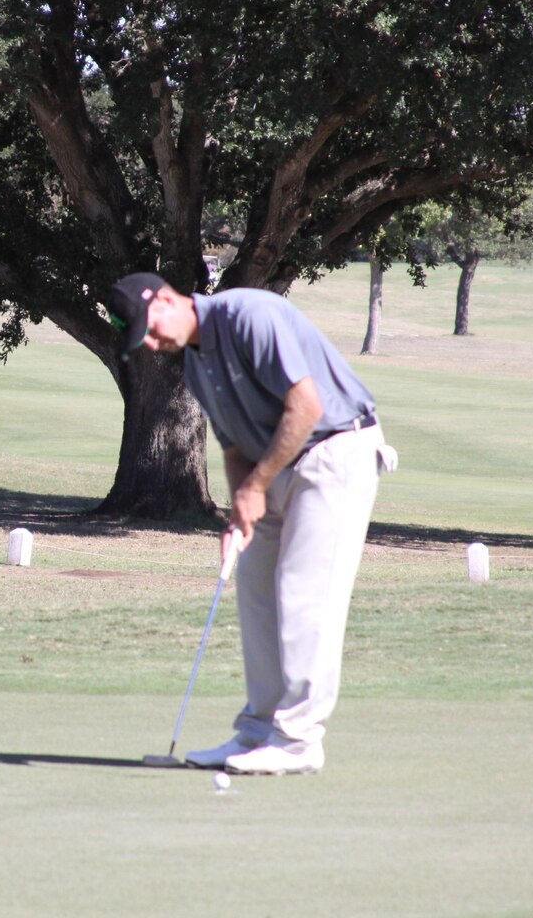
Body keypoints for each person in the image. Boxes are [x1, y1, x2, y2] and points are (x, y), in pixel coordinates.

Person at [106, 272, 395, 775]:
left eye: (150, 330)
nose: (152, 345)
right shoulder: (196, 366)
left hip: (335, 452)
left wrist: (256, 486)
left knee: (305, 595)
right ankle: (257, 732)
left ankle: (298, 740)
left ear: (169, 299)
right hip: (274, 467)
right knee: (257, 594)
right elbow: (234, 446)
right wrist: (243, 500)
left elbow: (307, 406)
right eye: (142, 341)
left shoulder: (249, 316)